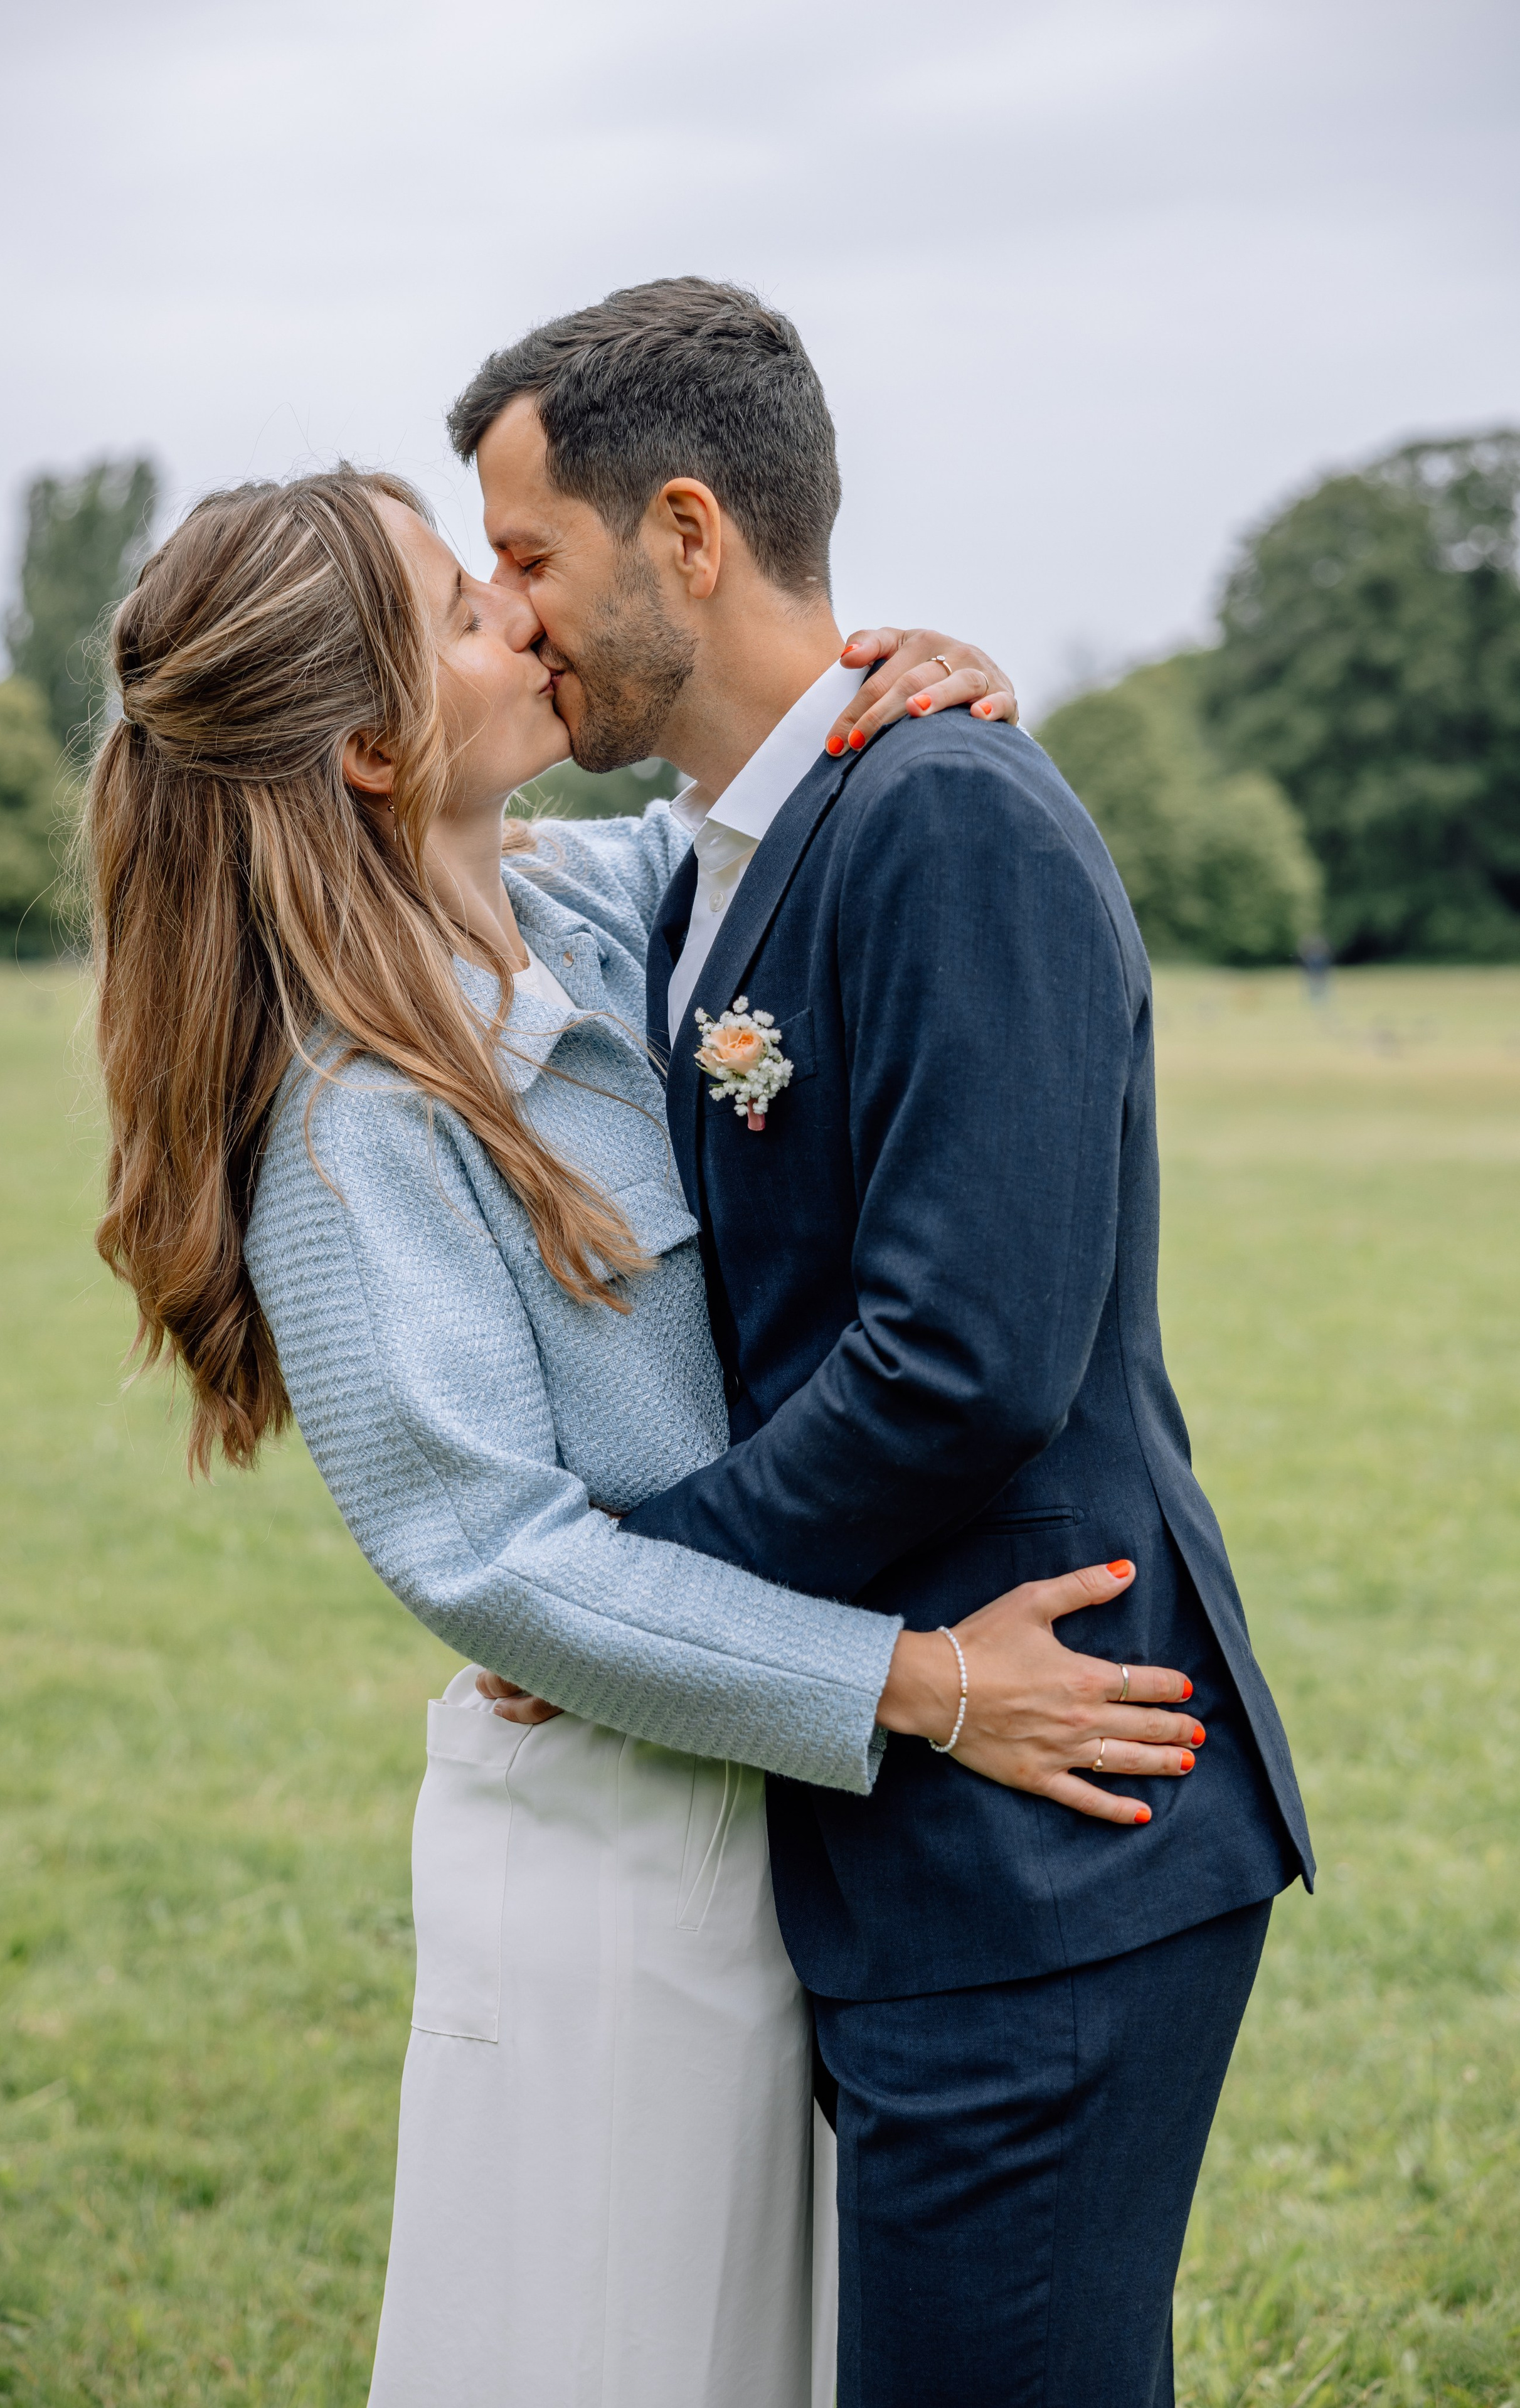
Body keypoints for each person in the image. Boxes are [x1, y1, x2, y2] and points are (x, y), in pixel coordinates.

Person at [81, 467, 1199, 2408]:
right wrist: (917, 1683)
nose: (524, 619)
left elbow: (775, 821)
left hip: (782, 1839)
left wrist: (900, 697)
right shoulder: (351, 1128)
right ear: (365, 746)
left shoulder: (599, 913)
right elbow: (499, 1565)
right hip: (615, 1859)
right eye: (463, 606)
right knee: (616, 2351)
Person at [451, 277, 1315, 2407]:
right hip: (914, 1800)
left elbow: (964, 1356)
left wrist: (632, 1585)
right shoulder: (718, 858)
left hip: (1050, 1830)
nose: (512, 611)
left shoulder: (945, 818)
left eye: (530, 557)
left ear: (685, 528)